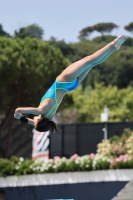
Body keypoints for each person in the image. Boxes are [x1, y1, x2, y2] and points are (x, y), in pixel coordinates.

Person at [14, 35, 127, 134]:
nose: (32, 121)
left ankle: (113, 48)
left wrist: (23, 119)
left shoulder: (48, 117)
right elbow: (20, 110)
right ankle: (113, 43)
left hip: (71, 86)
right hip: (64, 81)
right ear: (39, 121)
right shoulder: (42, 110)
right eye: (34, 122)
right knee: (88, 60)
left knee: (92, 63)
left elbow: (34, 122)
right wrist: (18, 113)